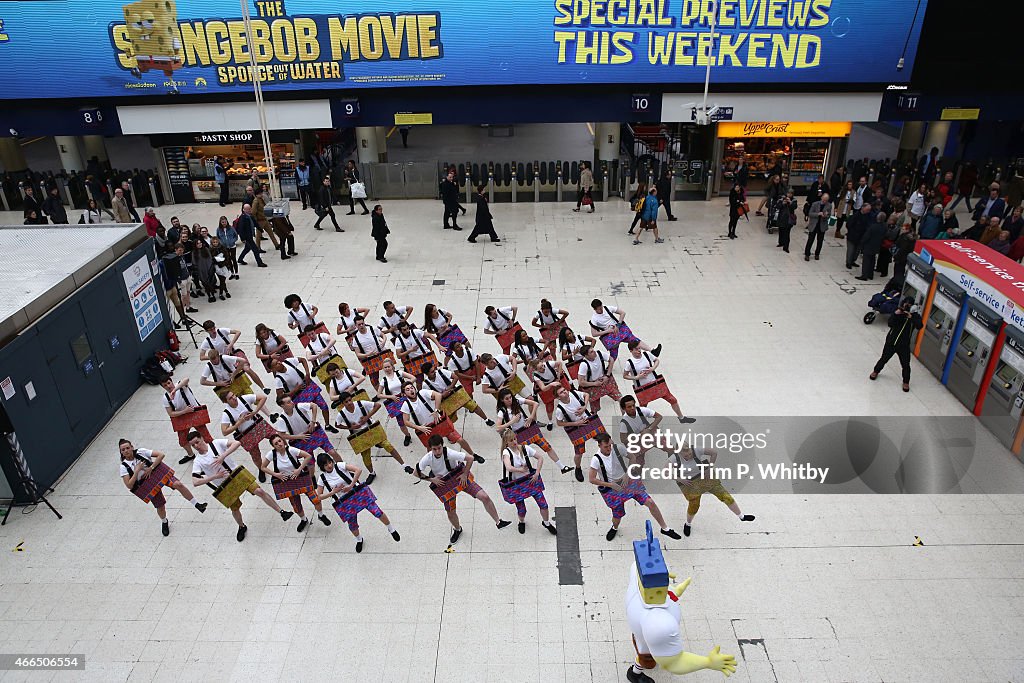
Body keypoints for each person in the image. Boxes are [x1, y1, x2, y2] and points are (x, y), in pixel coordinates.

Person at [188, 432, 294, 542]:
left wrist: (223, 456)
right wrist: (214, 476)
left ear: (202, 438)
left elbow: (237, 443)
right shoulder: (198, 461)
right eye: (193, 445)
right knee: (235, 508)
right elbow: (195, 482)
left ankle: (281, 512)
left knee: (259, 491)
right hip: (224, 485)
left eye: (197, 442)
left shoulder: (215, 444)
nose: (196, 446)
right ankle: (241, 526)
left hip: (237, 474)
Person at [414, 434, 511, 545]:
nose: (437, 451)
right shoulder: (427, 458)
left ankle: (498, 522)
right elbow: (415, 473)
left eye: (439, 448)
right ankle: (457, 529)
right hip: (444, 484)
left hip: (459, 477)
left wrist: (465, 474)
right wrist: (432, 479)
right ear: (430, 449)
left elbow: (470, 458)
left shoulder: (449, 452)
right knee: (450, 512)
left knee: (484, 496)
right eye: (434, 449)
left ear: (442, 445)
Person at [589, 434, 680, 541]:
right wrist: (611, 485)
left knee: (650, 502)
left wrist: (628, 473)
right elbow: (592, 479)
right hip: (613, 488)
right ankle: (614, 527)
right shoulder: (596, 459)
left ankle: (665, 528)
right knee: (617, 515)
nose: (609, 448)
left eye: (610, 445)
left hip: (629, 481)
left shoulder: (618, 448)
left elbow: (632, 457)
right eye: (606, 447)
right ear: (599, 445)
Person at [316, 452, 399, 553]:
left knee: (377, 512)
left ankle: (391, 529)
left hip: (357, 492)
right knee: (352, 525)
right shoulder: (322, 478)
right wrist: (333, 492)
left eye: (329, 462)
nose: (329, 465)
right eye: (325, 464)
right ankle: (359, 540)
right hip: (345, 501)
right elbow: (319, 496)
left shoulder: (339, 466)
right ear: (322, 467)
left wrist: (351, 485)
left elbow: (358, 470)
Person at [119, 439, 206, 535]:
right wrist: (136, 471)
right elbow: (129, 485)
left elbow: (161, 455)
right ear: (121, 452)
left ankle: (197, 504)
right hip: (146, 484)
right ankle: (164, 522)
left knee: (178, 484)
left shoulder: (141, 452)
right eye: (123, 450)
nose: (126, 451)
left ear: (132, 447)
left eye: (127, 448)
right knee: (160, 506)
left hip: (156, 472)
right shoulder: (124, 467)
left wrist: (150, 468)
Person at [673, 441, 755, 537]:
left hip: (705, 476)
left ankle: (742, 516)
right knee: (694, 505)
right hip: (691, 482)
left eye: (690, 453)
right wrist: (679, 479)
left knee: (726, 497)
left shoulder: (697, 449)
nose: (689, 456)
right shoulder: (674, 458)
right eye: (686, 456)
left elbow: (714, 452)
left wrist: (709, 468)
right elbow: (666, 472)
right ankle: (688, 524)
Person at [334, 390, 412, 483]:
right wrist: (350, 427)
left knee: (388, 445)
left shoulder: (360, 403)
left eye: (350, 400)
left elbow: (377, 405)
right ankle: (372, 473)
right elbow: (337, 425)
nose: (349, 403)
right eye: (346, 402)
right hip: (359, 435)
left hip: (371, 429)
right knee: (365, 456)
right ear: (342, 403)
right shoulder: (341, 414)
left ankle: (404, 465)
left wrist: (367, 417)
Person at [261, 434, 330, 533]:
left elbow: (308, 456)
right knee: (296, 506)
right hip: (287, 483)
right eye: (276, 443)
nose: (279, 444)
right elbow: (263, 467)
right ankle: (303, 520)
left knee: (315, 499)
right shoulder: (271, 454)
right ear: (273, 446)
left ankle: (321, 515)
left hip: (300, 478)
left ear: (283, 441)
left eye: (280, 441)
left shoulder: (291, 450)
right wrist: (276, 475)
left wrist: (299, 469)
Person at [401, 381, 482, 460]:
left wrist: (436, 410)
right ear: (404, 394)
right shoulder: (406, 405)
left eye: (412, 388)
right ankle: (433, 465)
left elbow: (438, 395)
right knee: (430, 450)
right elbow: (406, 421)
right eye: (407, 389)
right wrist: (419, 428)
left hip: (440, 422)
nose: (411, 390)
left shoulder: (422, 393)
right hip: (428, 429)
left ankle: (473, 454)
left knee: (460, 439)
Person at [498, 429, 557, 535]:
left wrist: (537, 473)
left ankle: (546, 523)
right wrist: (520, 470)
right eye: (511, 440)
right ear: (506, 442)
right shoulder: (506, 452)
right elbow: (508, 467)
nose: (514, 442)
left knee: (543, 504)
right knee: (522, 510)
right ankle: (521, 521)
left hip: (531, 480)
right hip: (517, 484)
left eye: (515, 438)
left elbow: (540, 457)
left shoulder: (525, 448)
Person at [621, 341, 693, 421]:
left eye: (639, 348)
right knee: (643, 408)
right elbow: (625, 375)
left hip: (655, 384)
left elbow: (657, 360)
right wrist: (637, 377)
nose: (639, 350)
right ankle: (641, 424)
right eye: (636, 349)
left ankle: (681, 418)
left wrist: (653, 368)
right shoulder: (629, 363)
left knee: (672, 399)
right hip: (642, 388)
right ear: (631, 351)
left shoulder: (646, 354)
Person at [493, 388, 563, 467]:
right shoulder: (502, 411)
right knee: (522, 455)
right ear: (502, 400)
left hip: (529, 428)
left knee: (547, 446)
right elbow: (498, 428)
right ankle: (526, 471)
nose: (510, 400)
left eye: (510, 397)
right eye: (507, 399)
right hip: (518, 434)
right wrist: (512, 421)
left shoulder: (517, 401)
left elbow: (535, 403)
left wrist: (531, 417)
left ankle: (562, 466)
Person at [219, 390, 277, 482]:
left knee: (277, 436)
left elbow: (263, 397)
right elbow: (224, 432)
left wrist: (254, 412)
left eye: (233, 395)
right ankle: (261, 469)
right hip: (246, 434)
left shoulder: (243, 399)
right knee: (256, 455)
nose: (234, 398)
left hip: (258, 425)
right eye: (230, 398)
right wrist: (239, 423)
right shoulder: (226, 413)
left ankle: (287, 452)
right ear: (225, 401)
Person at [870, 296, 924, 392]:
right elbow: (890, 324)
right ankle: (876, 371)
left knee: (905, 364)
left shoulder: (915, 316)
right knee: (884, 358)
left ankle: (906, 382)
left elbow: (919, 325)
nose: (907, 307)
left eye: (909, 305)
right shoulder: (898, 312)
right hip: (891, 342)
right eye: (905, 305)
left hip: (904, 345)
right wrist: (896, 314)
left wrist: (911, 317)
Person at [554, 384, 606, 481]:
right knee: (579, 453)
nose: (565, 392)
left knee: (606, 439)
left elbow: (586, 395)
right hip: (577, 429)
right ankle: (578, 468)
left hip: (589, 421)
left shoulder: (574, 393)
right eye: (561, 392)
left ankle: (608, 458)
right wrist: (575, 423)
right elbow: (559, 423)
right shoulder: (559, 409)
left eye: (564, 389)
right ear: (558, 397)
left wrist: (584, 406)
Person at [420, 360, 494, 427]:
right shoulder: (425, 384)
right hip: (444, 401)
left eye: (434, 370)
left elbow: (455, 377)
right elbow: (430, 398)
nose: (435, 372)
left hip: (455, 393)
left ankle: (486, 419)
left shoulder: (441, 372)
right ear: (426, 374)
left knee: (473, 405)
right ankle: (450, 431)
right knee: (447, 419)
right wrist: (441, 395)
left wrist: (450, 387)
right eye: (432, 372)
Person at [199, 321, 267, 392]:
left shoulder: (221, 331)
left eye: (214, 328)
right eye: (211, 330)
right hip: (223, 360)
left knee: (246, 368)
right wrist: (216, 357)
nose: (213, 331)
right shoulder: (207, 341)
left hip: (234, 353)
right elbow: (201, 357)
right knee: (230, 377)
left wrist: (231, 344)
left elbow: (238, 332)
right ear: (207, 331)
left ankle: (263, 387)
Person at [160, 375, 212, 464]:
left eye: (168, 383)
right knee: (182, 441)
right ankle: (191, 455)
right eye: (165, 385)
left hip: (194, 414)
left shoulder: (181, 385)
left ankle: (212, 452)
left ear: (172, 381)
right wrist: (184, 411)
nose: (168, 386)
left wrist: (174, 390)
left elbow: (186, 379)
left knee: (206, 436)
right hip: (182, 417)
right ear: (162, 387)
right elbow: (171, 413)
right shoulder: (165, 398)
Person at [589, 299, 661, 361]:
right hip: (610, 336)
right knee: (614, 354)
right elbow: (594, 334)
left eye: (601, 307)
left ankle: (652, 351)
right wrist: (608, 331)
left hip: (619, 330)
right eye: (599, 309)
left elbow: (622, 313)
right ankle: (608, 369)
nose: (601, 309)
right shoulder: (594, 319)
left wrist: (618, 324)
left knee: (634, 340)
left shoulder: (608, 308)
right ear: (595, 309)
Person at [375, 356, 415, 446]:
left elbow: (413, 378)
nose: (387, 368)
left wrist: (406, 389)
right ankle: (407, 435)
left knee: (416, 413)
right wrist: (391, 396)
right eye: (385, 367)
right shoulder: (384, 380)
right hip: (396, 402)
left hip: (406, 398)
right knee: (401, 422)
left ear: (392, 366)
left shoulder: (399, 373)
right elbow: (379, 394)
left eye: (388, 366)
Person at [349, 314, 393, 390]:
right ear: (356, 326)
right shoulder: (356, 338)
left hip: (382, 354)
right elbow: (358, 354)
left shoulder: (372, 328)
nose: (362, 326)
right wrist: (368, 354)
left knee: (391, 372)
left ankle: (394, 388)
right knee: (373, 380)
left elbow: (383, 335)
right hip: (371, 359)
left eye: (363, 323)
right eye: (359, 324)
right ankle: (381, 394)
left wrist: (384, 341)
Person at [577, 344, 621, 413]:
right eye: (591, 352)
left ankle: (626, 417)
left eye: (593, 350)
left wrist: (607, 375)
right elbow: (581, 382)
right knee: (594, 410)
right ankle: (595, 422)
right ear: (586, 356)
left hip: (605, 381)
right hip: (593, 386)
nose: (594, 352)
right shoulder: (583, 365)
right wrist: (595, 383)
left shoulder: (599, 353)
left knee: (621, 399)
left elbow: (611, 360)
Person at [856, 211, 888, 281]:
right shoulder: (885, 226)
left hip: (869, 245)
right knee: (872, 260)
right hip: (877, 245)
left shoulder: (873, 227)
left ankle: (864, 275)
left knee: (866, 261)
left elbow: (866, 237)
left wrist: (862, 243)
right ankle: (870, 274)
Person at [803, 192, 832, 261]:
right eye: (824, 199)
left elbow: (829, 216)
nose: (824, 201)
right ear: (821, 198)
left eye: (826, 200)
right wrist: (818, 214)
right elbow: (810, 214)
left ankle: (817, 254)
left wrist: (826, 216)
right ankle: (807, 254)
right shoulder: (815, 204)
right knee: (810, 240)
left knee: (820, 241)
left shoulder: (829, 205)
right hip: (814, 224)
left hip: (822, 225)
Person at [845, 203, 872, 269]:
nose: (868, 211)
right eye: (867, 209)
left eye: (869, 210)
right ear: (862, 208)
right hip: (852, 236)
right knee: (851, 251)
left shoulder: (868, 216)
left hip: (861, 237)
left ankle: (853, 261)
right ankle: (848, 262)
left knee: (857, 251)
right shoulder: (855, 215)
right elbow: (849, 225)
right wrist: (852, 232)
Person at [215, 216, 239, 280]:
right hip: (225, 247)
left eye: (225, 222)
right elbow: (218, 237)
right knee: (228, 260)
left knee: (233, 259)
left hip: (232, 246)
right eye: (222, 222)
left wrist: (232, 241)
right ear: (220, 222)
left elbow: (236, 236)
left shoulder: (231, 228)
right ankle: (232, 273)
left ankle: (236, 273)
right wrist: (221, 243)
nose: (224, 223)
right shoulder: (218, 229)